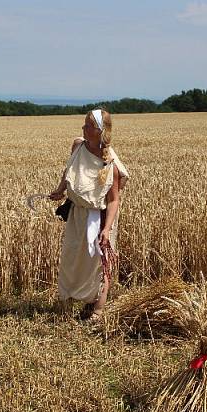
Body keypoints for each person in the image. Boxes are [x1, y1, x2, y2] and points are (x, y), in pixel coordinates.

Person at [49, 108, 130, 320]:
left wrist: (106, 229)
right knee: (72, 258)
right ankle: (75, 300)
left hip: (99, 217)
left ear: (99, 130)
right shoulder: (78, 146)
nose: (83, 129)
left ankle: (97, 310)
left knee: (100, 263)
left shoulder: (109, 162)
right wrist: (60, 190)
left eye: (87, 126)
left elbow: (113, 200)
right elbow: (69, 171)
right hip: (77, 215)